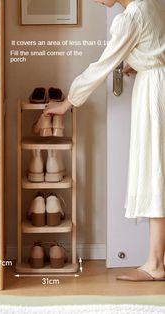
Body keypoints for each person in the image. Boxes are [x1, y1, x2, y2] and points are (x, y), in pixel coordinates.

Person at [44, 0, 165, 281]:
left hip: (153, 95)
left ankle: (155, 264)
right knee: (158, 169)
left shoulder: (130, 18)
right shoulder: (152, 5)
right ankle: (155, 261)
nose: (97, 0)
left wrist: (68, 102)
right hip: (159, 83)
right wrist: (140, 62)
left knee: (154, 172)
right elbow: (156, 46)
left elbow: (101, 65)